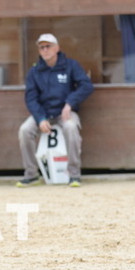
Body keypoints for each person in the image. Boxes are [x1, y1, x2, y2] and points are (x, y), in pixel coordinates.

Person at [16, 34, 93, 188]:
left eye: (48, 46)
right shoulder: (34, 71)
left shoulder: (71, 65)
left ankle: (74, 174)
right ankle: (31, 175)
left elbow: (86, 86)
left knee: (71, 127)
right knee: (24, 130)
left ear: (57, 48)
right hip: (43, 114)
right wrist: (40, 118)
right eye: (42, 47)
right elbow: (30, 98)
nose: (45, 50)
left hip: (64, 112)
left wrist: (70, 103)